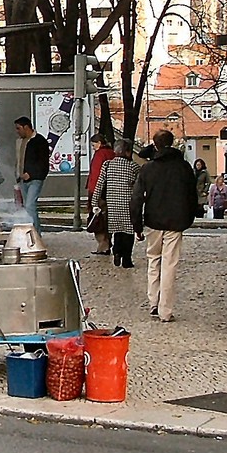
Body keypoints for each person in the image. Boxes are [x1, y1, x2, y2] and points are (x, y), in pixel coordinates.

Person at [130, 129, 197, 323]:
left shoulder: (148, 169)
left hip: (153, 221)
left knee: (154, 260)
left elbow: (136, 199)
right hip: (176, 222)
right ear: (173, 143)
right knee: (170, 264)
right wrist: (187, 219)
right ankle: (165, 310)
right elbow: (191, 196)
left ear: (155, 144)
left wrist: (137, 225)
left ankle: (153, 300)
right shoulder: (183, 167)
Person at [92, 138, 142, 268]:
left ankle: (117, 252)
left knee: (116, 231)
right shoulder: (134, 167)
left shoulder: (107, 165)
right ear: (128, 152)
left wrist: (94, 203)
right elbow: (139, 186)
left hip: (112, 204)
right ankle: (127, 259)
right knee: (128, 232)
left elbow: (99, 185)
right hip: (128, 204)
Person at [14, 116, 50, 234]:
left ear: (26, 127)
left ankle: (36, 233)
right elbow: (18, 159)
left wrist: (31, 173)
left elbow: (43, 162)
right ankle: (31, 231)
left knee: (30, 205)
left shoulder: (39, 141)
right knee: (27, 207)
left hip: (35, 179)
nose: (17, 131)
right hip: (22, 179)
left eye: (19, 128)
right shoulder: (19, 141)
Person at [86, 134, 116, 255]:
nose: (93, 148)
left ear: (99, 143)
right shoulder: (112, 153)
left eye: (94, 145)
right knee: (106, 218)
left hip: (97, 191)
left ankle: (103, 245)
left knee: (98, 219)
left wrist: (94, 193)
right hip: (109, 190)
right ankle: (107, 243)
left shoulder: (100, 155)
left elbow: (97, 175)